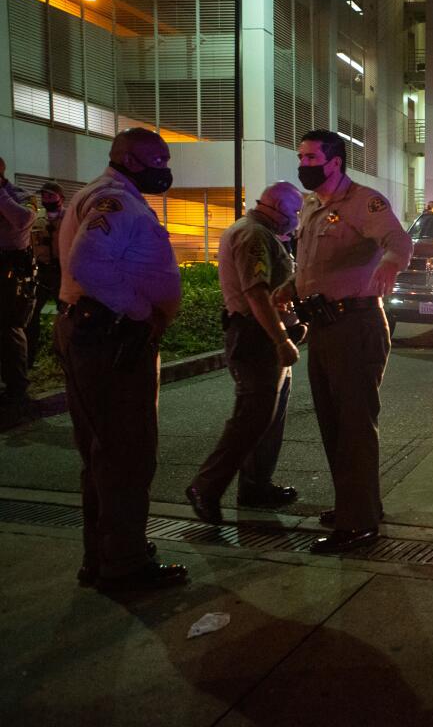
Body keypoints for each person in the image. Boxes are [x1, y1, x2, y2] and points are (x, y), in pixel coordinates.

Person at [55, 128, 187, 588]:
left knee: (102, 454)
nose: (165, 169)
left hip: (95, 333)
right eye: (158, 160)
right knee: (126, 455)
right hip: (111, 339)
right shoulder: (116, 200)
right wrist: (140, 311)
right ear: (130, 159)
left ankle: (106, 553)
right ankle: (125, 564)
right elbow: (87, 264)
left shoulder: (102, 195)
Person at [281, 129, 412, 554]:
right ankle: (356, 505)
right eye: (300, 155)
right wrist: (287, 289)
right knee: (333, 424)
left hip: (355, 325)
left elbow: (398, 241)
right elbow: (313, 267)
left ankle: (358, 525)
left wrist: (391, 263)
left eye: (311, 156)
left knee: (354, 425)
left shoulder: (363, 202)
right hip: (322, 327)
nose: (303, 163)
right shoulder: (312, 205)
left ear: (334, 162)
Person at [186, 182, 306, 523]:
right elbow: (257, 294)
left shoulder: (259, 232)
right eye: (295, 213)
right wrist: (281, 339)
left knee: (269, 417)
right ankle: (205, 487)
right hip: (256, 337)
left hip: (262, 334)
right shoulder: (254, 236)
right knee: (252, 418)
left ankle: (256, 485)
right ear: (280, 210)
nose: (296, 220)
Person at [0, 157, 37, 425]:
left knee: (10, 328)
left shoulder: (20, 196)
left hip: (12, 269)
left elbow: (23, 220)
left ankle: (17, 391)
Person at [27, 182, 66, 370]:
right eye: (45, 196)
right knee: (32, 313)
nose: (47, 199)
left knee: (66, 314)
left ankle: (64, 355)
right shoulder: (36, 218)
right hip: (42, 271)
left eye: (51, 196)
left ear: (61, 198)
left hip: (62, 271)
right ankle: (29, 358)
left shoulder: (69, 218)